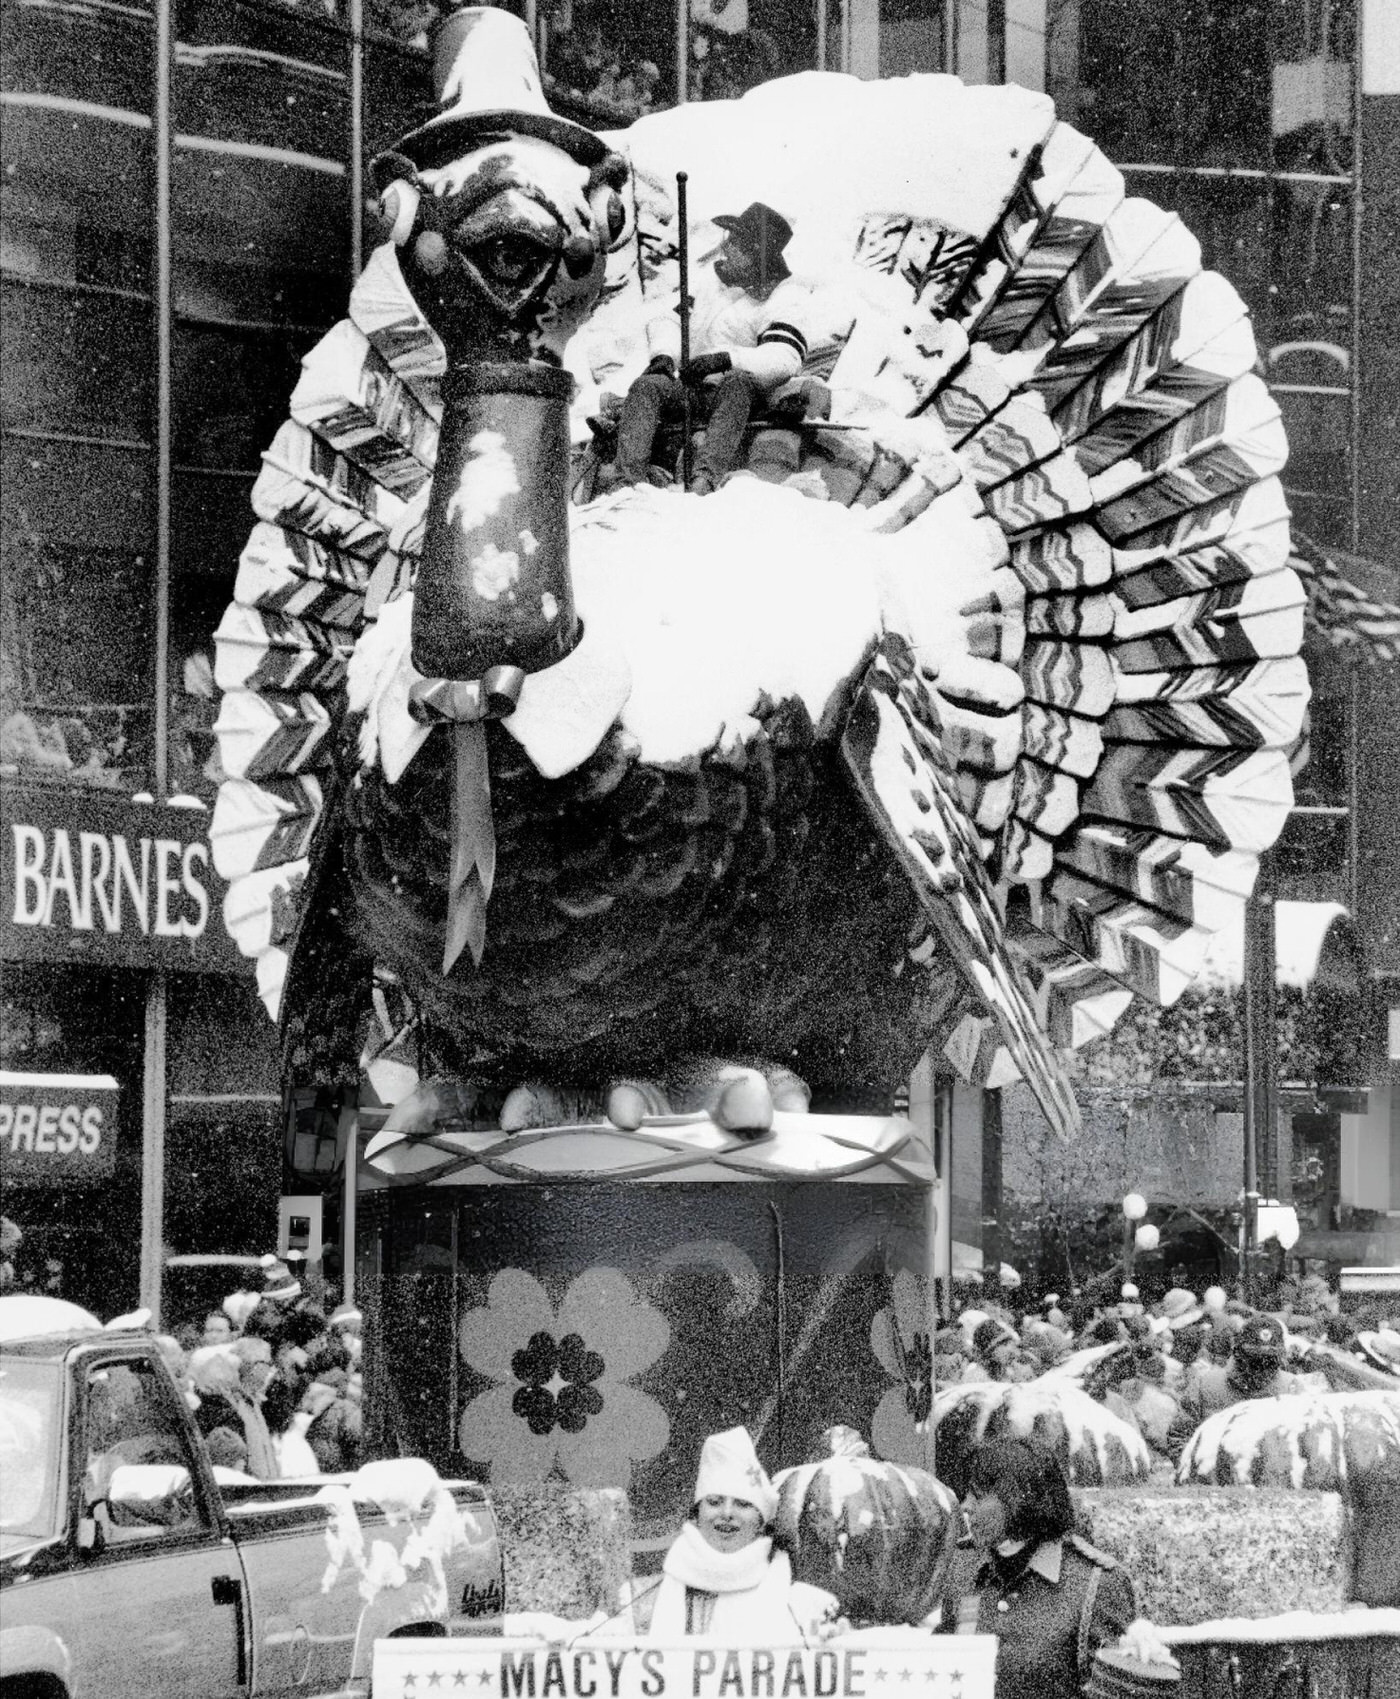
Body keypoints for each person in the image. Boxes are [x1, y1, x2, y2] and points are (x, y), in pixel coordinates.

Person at [602, 202, 811, 496]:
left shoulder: (785, 297)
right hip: (691, 389)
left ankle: (705, 480)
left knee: (737, 384)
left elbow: (785, 358)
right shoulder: (709, 283)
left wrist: (725, 360)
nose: (725, 248)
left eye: (736, 243)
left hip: (738, 396)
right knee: (649, 385)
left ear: (756, 254)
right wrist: (664, 355)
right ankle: (625, 485)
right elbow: (669, 320)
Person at [937, 1437, 1137, 1699]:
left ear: (1019, 1501)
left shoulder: (1097, 1584)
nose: (966, 1505)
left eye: (978, 1494)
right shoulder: (963, 1565)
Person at [631, 1425, 838, 1640]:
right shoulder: (638, 1600)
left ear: (761, 1520)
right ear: (697, 1513)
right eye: (714, 1502)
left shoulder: (802, 1603)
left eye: (742, 1504)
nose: (727, 1513)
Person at [1166, 1314, 1326, 1460]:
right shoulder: (1205, 1385)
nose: (1261, 1367)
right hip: (1215, 1482)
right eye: (1254, 1360)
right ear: (1238, 1352)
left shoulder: (1292, 1389)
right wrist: (1198, 1474)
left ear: (1280, 1358)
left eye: (1269, 1360)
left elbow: (1310, 1447)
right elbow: (1179, 1438)